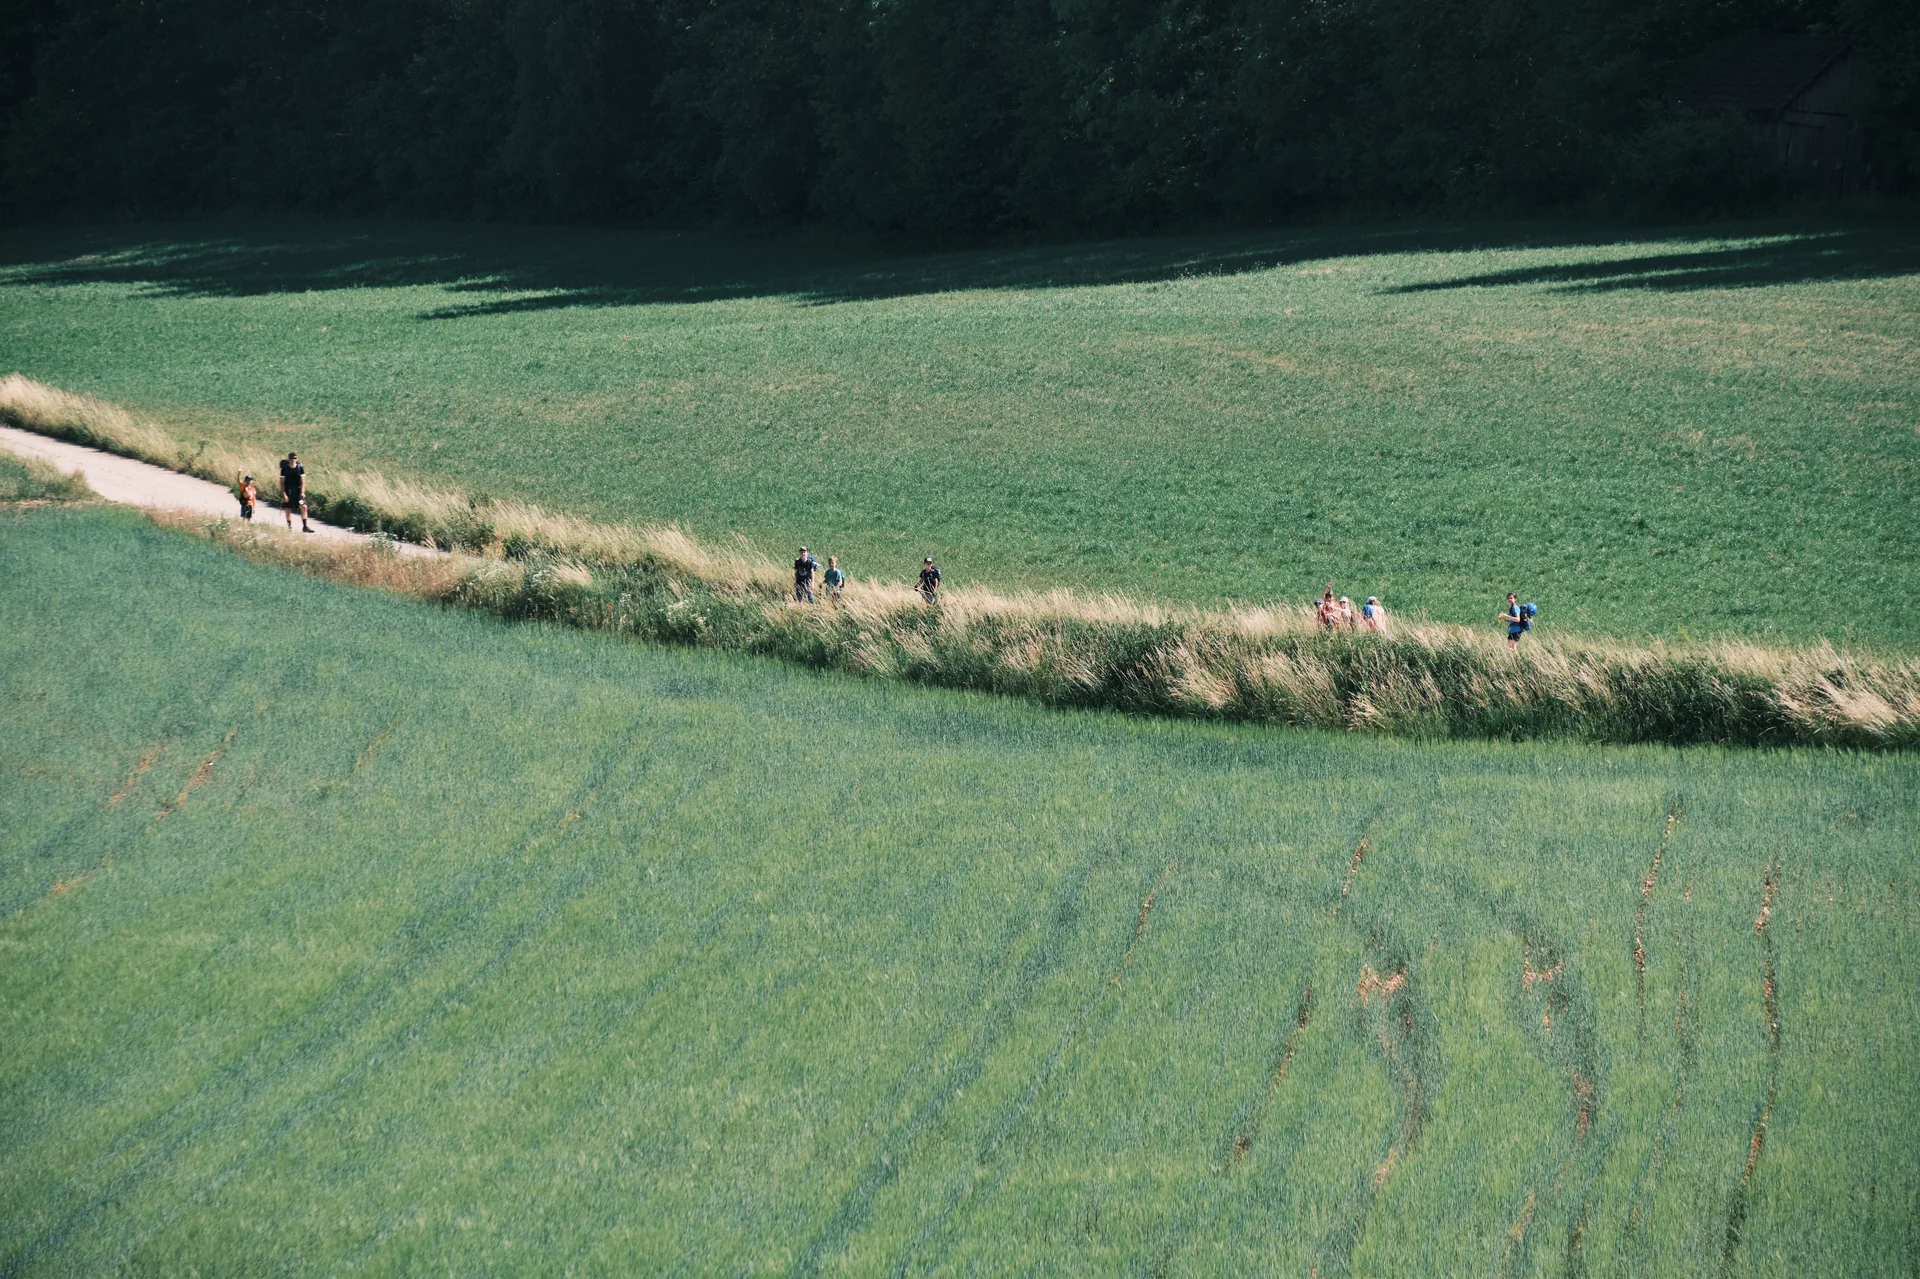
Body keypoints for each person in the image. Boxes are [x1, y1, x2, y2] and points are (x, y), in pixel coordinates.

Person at [279, 452, 311, 532]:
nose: (293, 459)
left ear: (297, 458)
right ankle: (289, 528)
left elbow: (303, 481)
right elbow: (282, 483)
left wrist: (302, 492)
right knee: (288, 509)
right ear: (289, 459)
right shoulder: (285, 469)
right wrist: (284, 494)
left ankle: (305, 526)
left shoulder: (300, 468)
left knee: (304, 507)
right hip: (288, 491)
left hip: (298, 491)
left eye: (295, 458)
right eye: (292, 458)